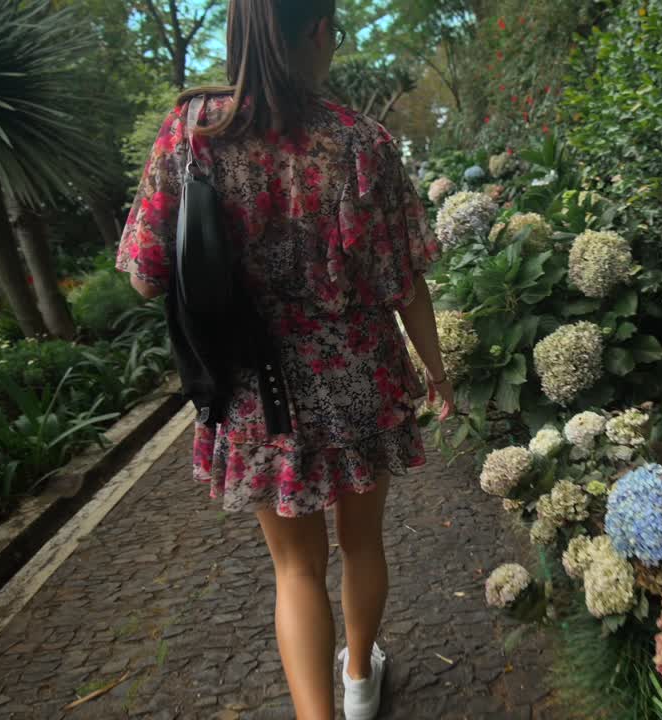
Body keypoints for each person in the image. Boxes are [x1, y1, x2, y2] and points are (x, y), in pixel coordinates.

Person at [116, 2, 454, 718]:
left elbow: (145, 273)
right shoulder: (362, 142)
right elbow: (404, 279)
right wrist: (437, 370)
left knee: (295, 568)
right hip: (359, 373)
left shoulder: (191, 132)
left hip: (255, 387)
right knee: (362, 546)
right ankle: (360, 680)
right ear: (318, 32)